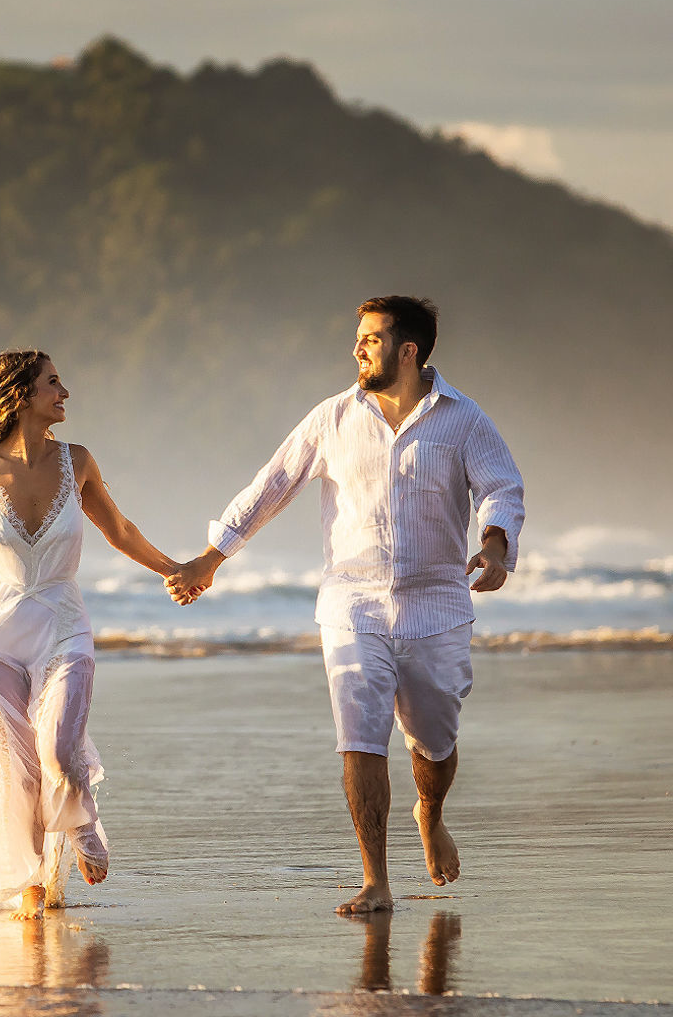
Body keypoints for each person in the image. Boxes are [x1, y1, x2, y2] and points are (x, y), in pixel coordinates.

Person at [166, 296, 525, 914]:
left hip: (437, 607)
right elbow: (271, 486)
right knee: (360, 741)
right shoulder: (331, 417)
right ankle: (375, 879)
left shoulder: (464, 419)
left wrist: (494, 545)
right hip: (352, 605)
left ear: (408, 351)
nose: (357, 347)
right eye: (358, 337)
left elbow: (501, 487)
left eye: (371, 338)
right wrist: (211, 557)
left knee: (434, 743)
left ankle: (430, 812)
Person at [0, 349, 182, 919]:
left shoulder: (77, 461)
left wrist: (173, 569)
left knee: (57, 747)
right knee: (17, 774)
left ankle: (82, 822)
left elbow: (120, 529)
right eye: (53, 383)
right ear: (22, 395)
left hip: (62, 624)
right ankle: (35, 889)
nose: (65, 392)